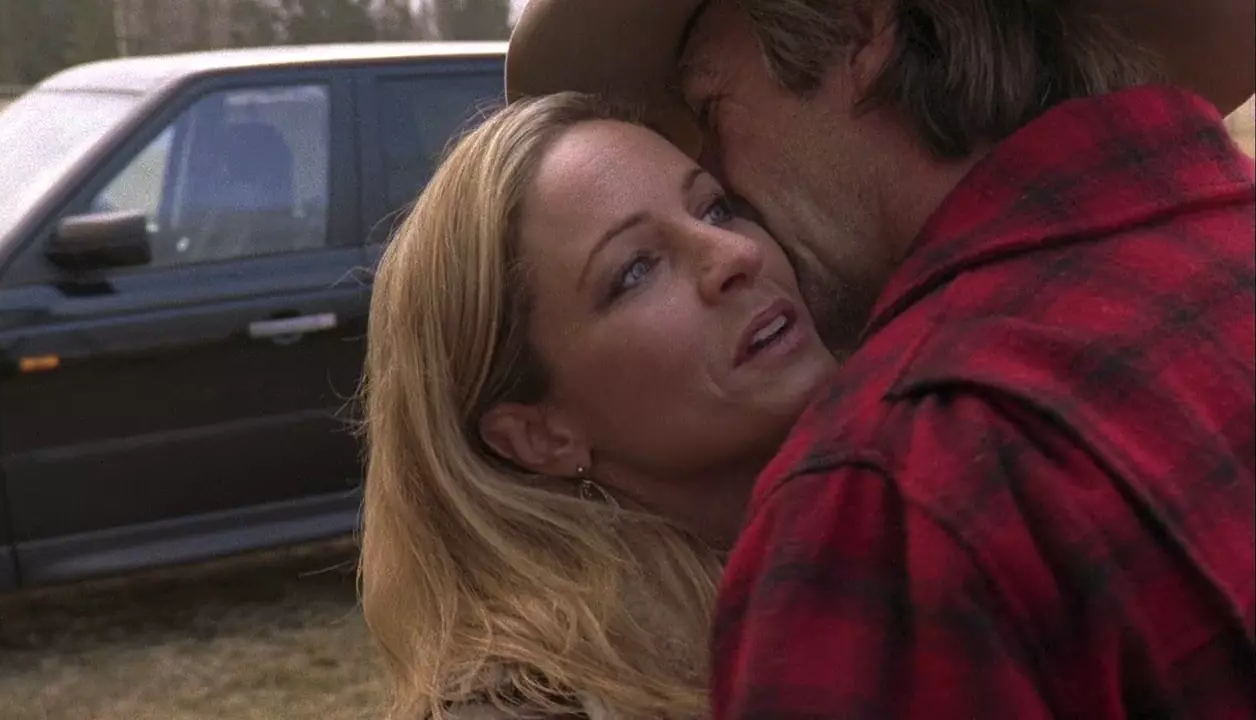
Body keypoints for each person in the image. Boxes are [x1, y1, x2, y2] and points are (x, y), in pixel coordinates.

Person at [506, 0, 1256, 718]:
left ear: (861, 28)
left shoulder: (890, 495)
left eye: (711, 108)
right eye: (635, 269)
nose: (733, 222)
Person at [358, 91, 836, 719]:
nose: (736, 256)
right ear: (539, 435)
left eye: (715, 209)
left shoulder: (869, 548)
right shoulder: (523, 707)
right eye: (636, 269)